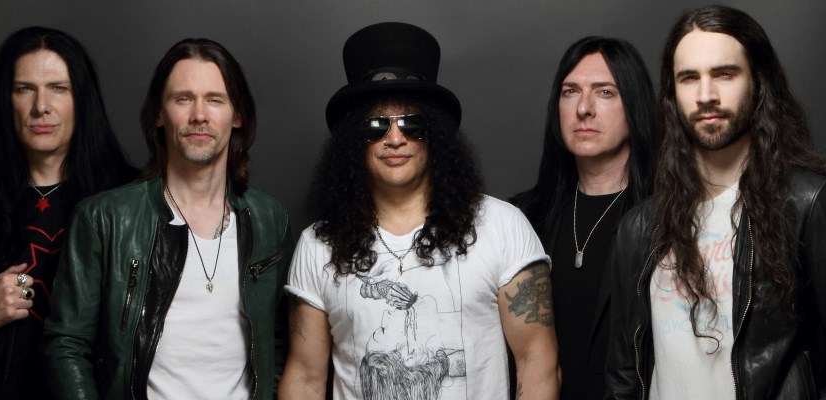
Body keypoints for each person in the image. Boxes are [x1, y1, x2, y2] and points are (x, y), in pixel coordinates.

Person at [605, 5, 826, 399]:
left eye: (724, 74)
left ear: (759, 82)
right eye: (689, 78)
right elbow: (624, 380)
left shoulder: (810, 205)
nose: (706, 96)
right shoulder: (640, 227)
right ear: (672, 95)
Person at [279, 22, 559, 399]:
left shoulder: (502, 225)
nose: (395, 138)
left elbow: (537, 361)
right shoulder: (318, 245)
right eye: (376, 125)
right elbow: (304, 378)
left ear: (436, 134)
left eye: (413, 124)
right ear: (353, 140)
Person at [43, 38, 289, 399]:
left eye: (215, 100)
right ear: (159, 114)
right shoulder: (104, 218)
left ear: (237, 116)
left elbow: (277, 340)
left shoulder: (270, 218)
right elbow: (66, 343)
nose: (199, 115)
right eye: (183, 99)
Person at [0, 26, 134, 399]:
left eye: (58, 88)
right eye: (24, 89)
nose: (41, 106)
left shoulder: (130, 202)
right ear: (6, 101)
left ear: (82, 100)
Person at [511, 36, 654, 400]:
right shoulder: (522, 218)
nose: (584, 108)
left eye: (605, 92)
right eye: (570, 91)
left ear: (634, 104)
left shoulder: (666, 219)